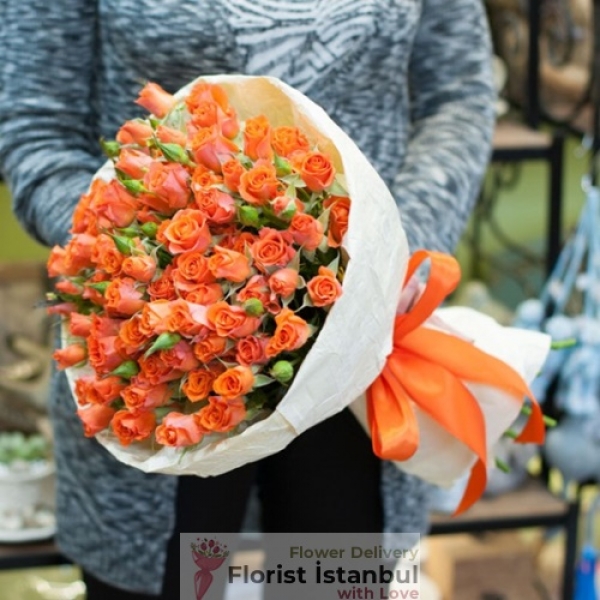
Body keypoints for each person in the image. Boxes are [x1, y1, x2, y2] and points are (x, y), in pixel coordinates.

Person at [0, 1, 496, 598]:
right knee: (159, 577)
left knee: (330, 581)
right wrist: (143, 252)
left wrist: (394, 252)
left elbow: (458, 97)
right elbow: (36, 129)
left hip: (367, 352)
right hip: (164, 364)